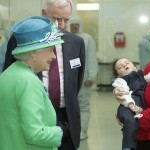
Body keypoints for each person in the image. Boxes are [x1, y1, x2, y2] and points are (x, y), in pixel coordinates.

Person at [3, 0, 85, 150]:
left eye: (66, 20)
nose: (61, 25)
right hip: (32, 118)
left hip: (65, 116)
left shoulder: (76, 42)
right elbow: (11, 73)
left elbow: (76, 82)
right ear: (44, 14)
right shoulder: (22, 41)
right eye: (56, 19)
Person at [0, 16, 66, 150]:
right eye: (50, 51)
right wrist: (61, 132)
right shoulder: (28, 81)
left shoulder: (9, 73)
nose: (53, 56)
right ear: (34, 53)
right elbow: (35, 133)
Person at [112, 57, 150, 150]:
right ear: (118, 75)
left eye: (127, 62)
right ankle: (127, 147)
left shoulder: (139, 75)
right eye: (120, 67)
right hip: (127, 107)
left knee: (133, 126)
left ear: (134, 67)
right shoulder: (121, 81)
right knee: (130, 123)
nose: (124, 65)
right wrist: (131, 105)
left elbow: (147, 78)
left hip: (137, 107)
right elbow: (124, 95)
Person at [69, 16, 98, 140]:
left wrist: (91, 76)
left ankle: (83, 131)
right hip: (70, 78)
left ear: (80, 25)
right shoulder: (66, 37)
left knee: (84, 105)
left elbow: (91, 57)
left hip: (84, 76)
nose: (74, 27)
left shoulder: (87, 38)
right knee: (70, 105)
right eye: (72, 24)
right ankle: (72, 130)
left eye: (77, 24)